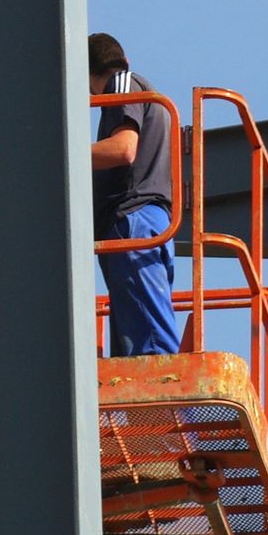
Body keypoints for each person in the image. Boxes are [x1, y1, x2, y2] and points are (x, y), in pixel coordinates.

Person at [88, 30, 183, 358]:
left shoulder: (122, 83)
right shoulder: (148, 100)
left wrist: (57, 155)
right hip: (144, 223)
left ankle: (173, 406)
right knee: (137, 346)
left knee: (151, 348)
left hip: (134, 221)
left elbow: (123, 150)